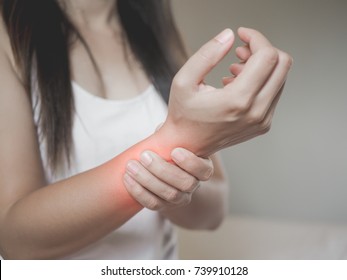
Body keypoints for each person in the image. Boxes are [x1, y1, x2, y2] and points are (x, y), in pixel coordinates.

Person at [0, 0, 292, 259]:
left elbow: (214, 210)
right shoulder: (8, 32)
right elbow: (14, 240)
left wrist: (172, 185)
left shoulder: (160, 35)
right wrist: (172, 144)